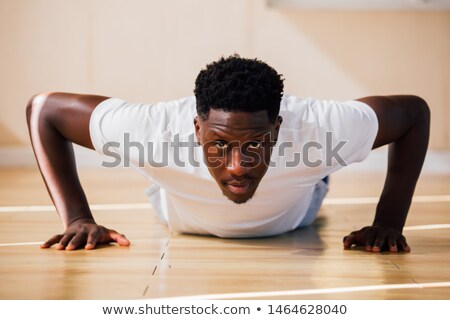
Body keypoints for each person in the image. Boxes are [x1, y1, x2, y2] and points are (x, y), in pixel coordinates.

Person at [26, 55, 430, 253]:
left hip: (295, 212)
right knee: (159, 167)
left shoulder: (321, 126)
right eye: (220, 145)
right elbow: (42, 110)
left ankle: (313, 173)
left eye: (254, 144)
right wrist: (77, 218)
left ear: (276, 128)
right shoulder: (153, 129)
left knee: (314, 165)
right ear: (197, 128)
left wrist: (389, 221)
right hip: (178, 208)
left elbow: (414, 113)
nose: (237, 167)